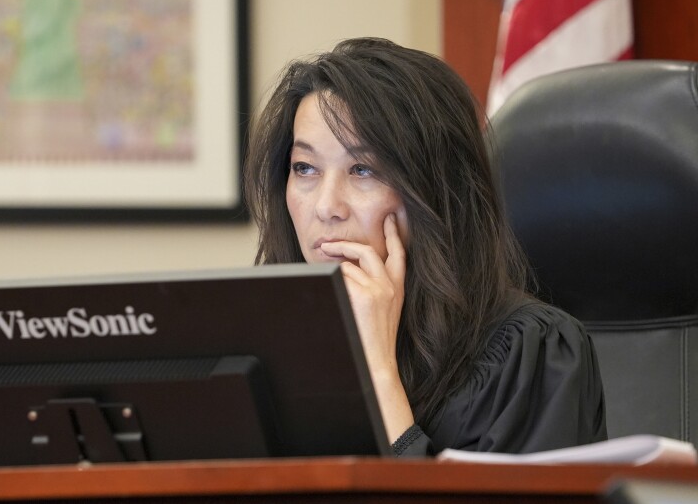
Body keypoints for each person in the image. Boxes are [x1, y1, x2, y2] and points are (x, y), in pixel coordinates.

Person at [243, 37, 606, 457]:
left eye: (363, 169)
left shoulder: (532, 353)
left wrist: (378, 372)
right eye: (304, 168)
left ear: (434, 191)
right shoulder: (265, 341)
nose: (326, 207)